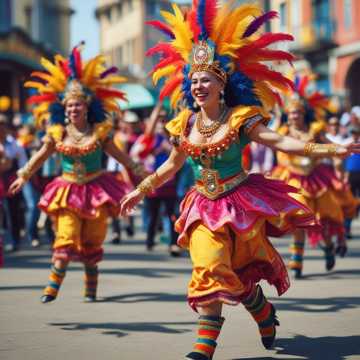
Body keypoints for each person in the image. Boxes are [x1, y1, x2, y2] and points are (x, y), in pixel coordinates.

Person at [120, 2, 360, 359]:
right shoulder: (184, 123)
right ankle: (204, 347)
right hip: (202, 206)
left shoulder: (240, 118)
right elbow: (172, 164)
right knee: (209, 267)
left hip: (240, 203)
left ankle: (262, 312)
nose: (199, 85)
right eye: (194, 79)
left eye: (207, 79)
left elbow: (279, 140)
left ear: (222, 83)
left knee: (241, 271)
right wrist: (140, 189)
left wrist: (327, 149)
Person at [9, 44, 145, 303]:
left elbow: (121, 156)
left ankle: (90, 289)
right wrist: (23, 175)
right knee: (67, 236)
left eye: (78, 105)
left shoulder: (99, 133)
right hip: (68, 190)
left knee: (92, 240)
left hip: (96, 189)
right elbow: (40, 157)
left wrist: (142, 173)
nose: (74, 109)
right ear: (64, 108)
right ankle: (52, 287)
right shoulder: (57, 133)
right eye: (70, 106)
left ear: (87, 107)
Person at [272, 74, 352, 277]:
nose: (293, 116)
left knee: (322, 219)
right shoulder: (283, 131)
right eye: (290, 113)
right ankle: (296, 260)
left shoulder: (316, 130)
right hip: (293, 178)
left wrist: (338, 167)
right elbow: (276, 151)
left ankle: (327, 249)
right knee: (299, 217)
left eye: (297, 112)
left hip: (317, 178)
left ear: (304, 113)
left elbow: (331, 148)